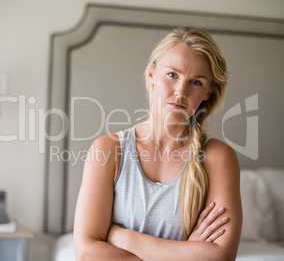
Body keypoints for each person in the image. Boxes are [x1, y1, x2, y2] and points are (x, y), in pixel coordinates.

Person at [74, 26, 242, 260]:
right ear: (152, 73)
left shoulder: (217, 157)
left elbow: (220, 257)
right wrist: (184, 254)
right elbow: (86, 253)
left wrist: (125, 237)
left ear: (207, 93)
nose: (180, 91)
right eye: (172, 75)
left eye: (196, 82)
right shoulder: (108, 150)